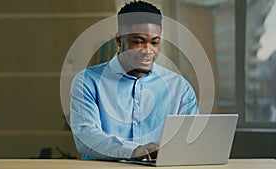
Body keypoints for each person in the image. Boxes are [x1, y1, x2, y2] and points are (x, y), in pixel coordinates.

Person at [70, 0, 199, 161]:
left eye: (155, 42)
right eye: (138, 42)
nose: (147, 50)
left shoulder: (179, 87)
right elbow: (86, 137)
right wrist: (136, 151)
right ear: (119, 40)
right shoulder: (87, 81)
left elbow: (191, 141)